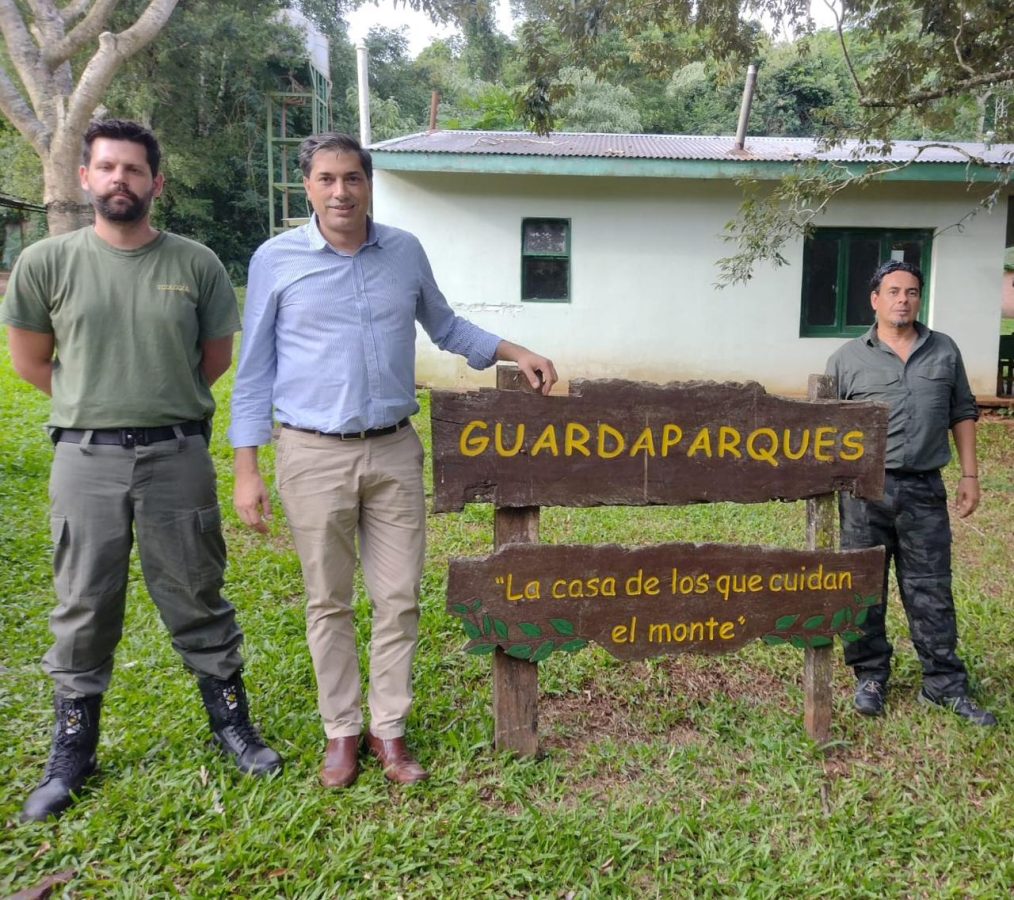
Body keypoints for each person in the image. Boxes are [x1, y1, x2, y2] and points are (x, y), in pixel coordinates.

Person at [229, 132, 558, 788]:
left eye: (352, 178)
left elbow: (447, 326)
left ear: (369, 183)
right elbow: (254, 367)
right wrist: (247, 468)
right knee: (328, 601)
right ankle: (341, 733)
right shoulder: (276, 259)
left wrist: (516, 350)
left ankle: (389, 729)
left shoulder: (403, 252)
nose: (341, 191)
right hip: (311, 452)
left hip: (393, 451)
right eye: (327, 179)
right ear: (308, 187)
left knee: (399, 597)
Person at [3, 119, 282, 823]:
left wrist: (155, 402)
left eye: (133, 169)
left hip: (176, 456)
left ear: (156, 182)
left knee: (198, 592)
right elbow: (32, 362)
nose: (119, 179)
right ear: (85, 178)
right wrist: (95, 403)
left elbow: (213, 360)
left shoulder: (196, 265)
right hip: (85, 460)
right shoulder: (47, 263)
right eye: (107, 168)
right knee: (84, 602)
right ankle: (72, 750)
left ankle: (232, 726)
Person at [826, 260, 996, 726]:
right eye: (894, 291)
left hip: (924, 490)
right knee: (863, 588)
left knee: (930, 589)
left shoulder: (944, 351)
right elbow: (827, 430)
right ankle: (870, 676)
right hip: (864, 492)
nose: (904, 299)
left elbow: (962, 411)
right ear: (875, 299)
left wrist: (970, 475)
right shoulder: (846, 359)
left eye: (913, 292)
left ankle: (943, 684)